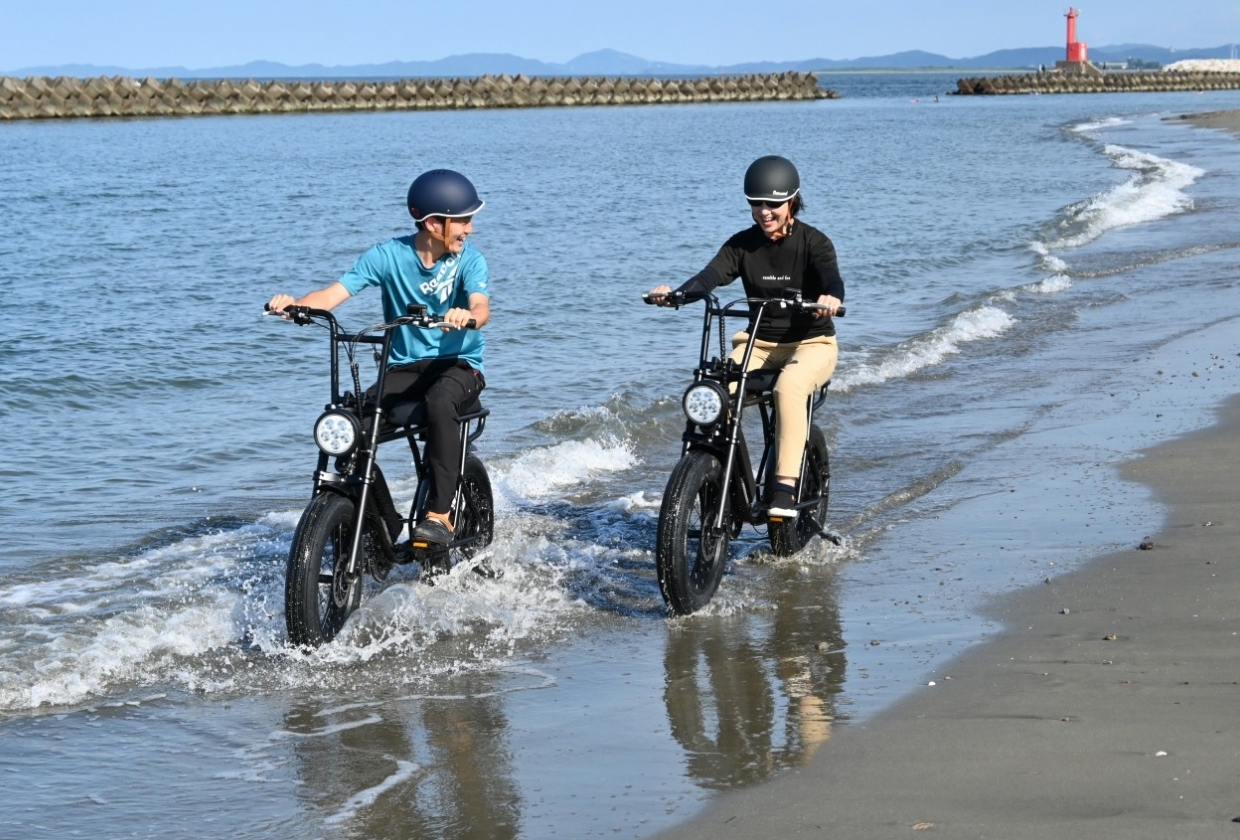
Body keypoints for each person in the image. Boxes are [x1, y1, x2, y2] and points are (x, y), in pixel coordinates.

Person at [267, 168, 490, 545]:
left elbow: (481, 307)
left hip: (459, 367)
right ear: (435, 223)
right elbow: (334, 294)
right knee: (350, 426)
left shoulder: (470, 261)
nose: (469, 229)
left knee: (439, 401)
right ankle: (381, 530)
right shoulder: (387, 256)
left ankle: (440, 515)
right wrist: (295, 307)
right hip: (403, 368)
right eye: (463, 220)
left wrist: (466, 317)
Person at [647, 155, 844, 518]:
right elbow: (708, 277)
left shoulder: (815, 243)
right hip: (758, 344)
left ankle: (784, 486)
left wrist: (830, 299)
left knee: (790, 386)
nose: (764, 212)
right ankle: (713, 474)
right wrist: (676, 296)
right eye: (757, 204)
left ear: (792, 201)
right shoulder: (742, 245)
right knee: (715, 387)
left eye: (773, 204)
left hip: (812, 344)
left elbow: (831, 278)